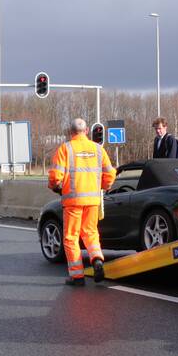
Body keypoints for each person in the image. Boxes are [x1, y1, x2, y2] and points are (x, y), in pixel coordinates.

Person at [48, 118, 117, 286]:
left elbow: (55, 176)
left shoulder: (65, 149)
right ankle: (97, 259)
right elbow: (110, 174)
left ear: (71, 132)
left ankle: (77, 276)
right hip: (92, 200)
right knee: (90, 233)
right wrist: (101, 186)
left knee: (71, 238)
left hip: (73, 201)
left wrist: (55, 187)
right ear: (86, 131)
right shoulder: (98, 149)